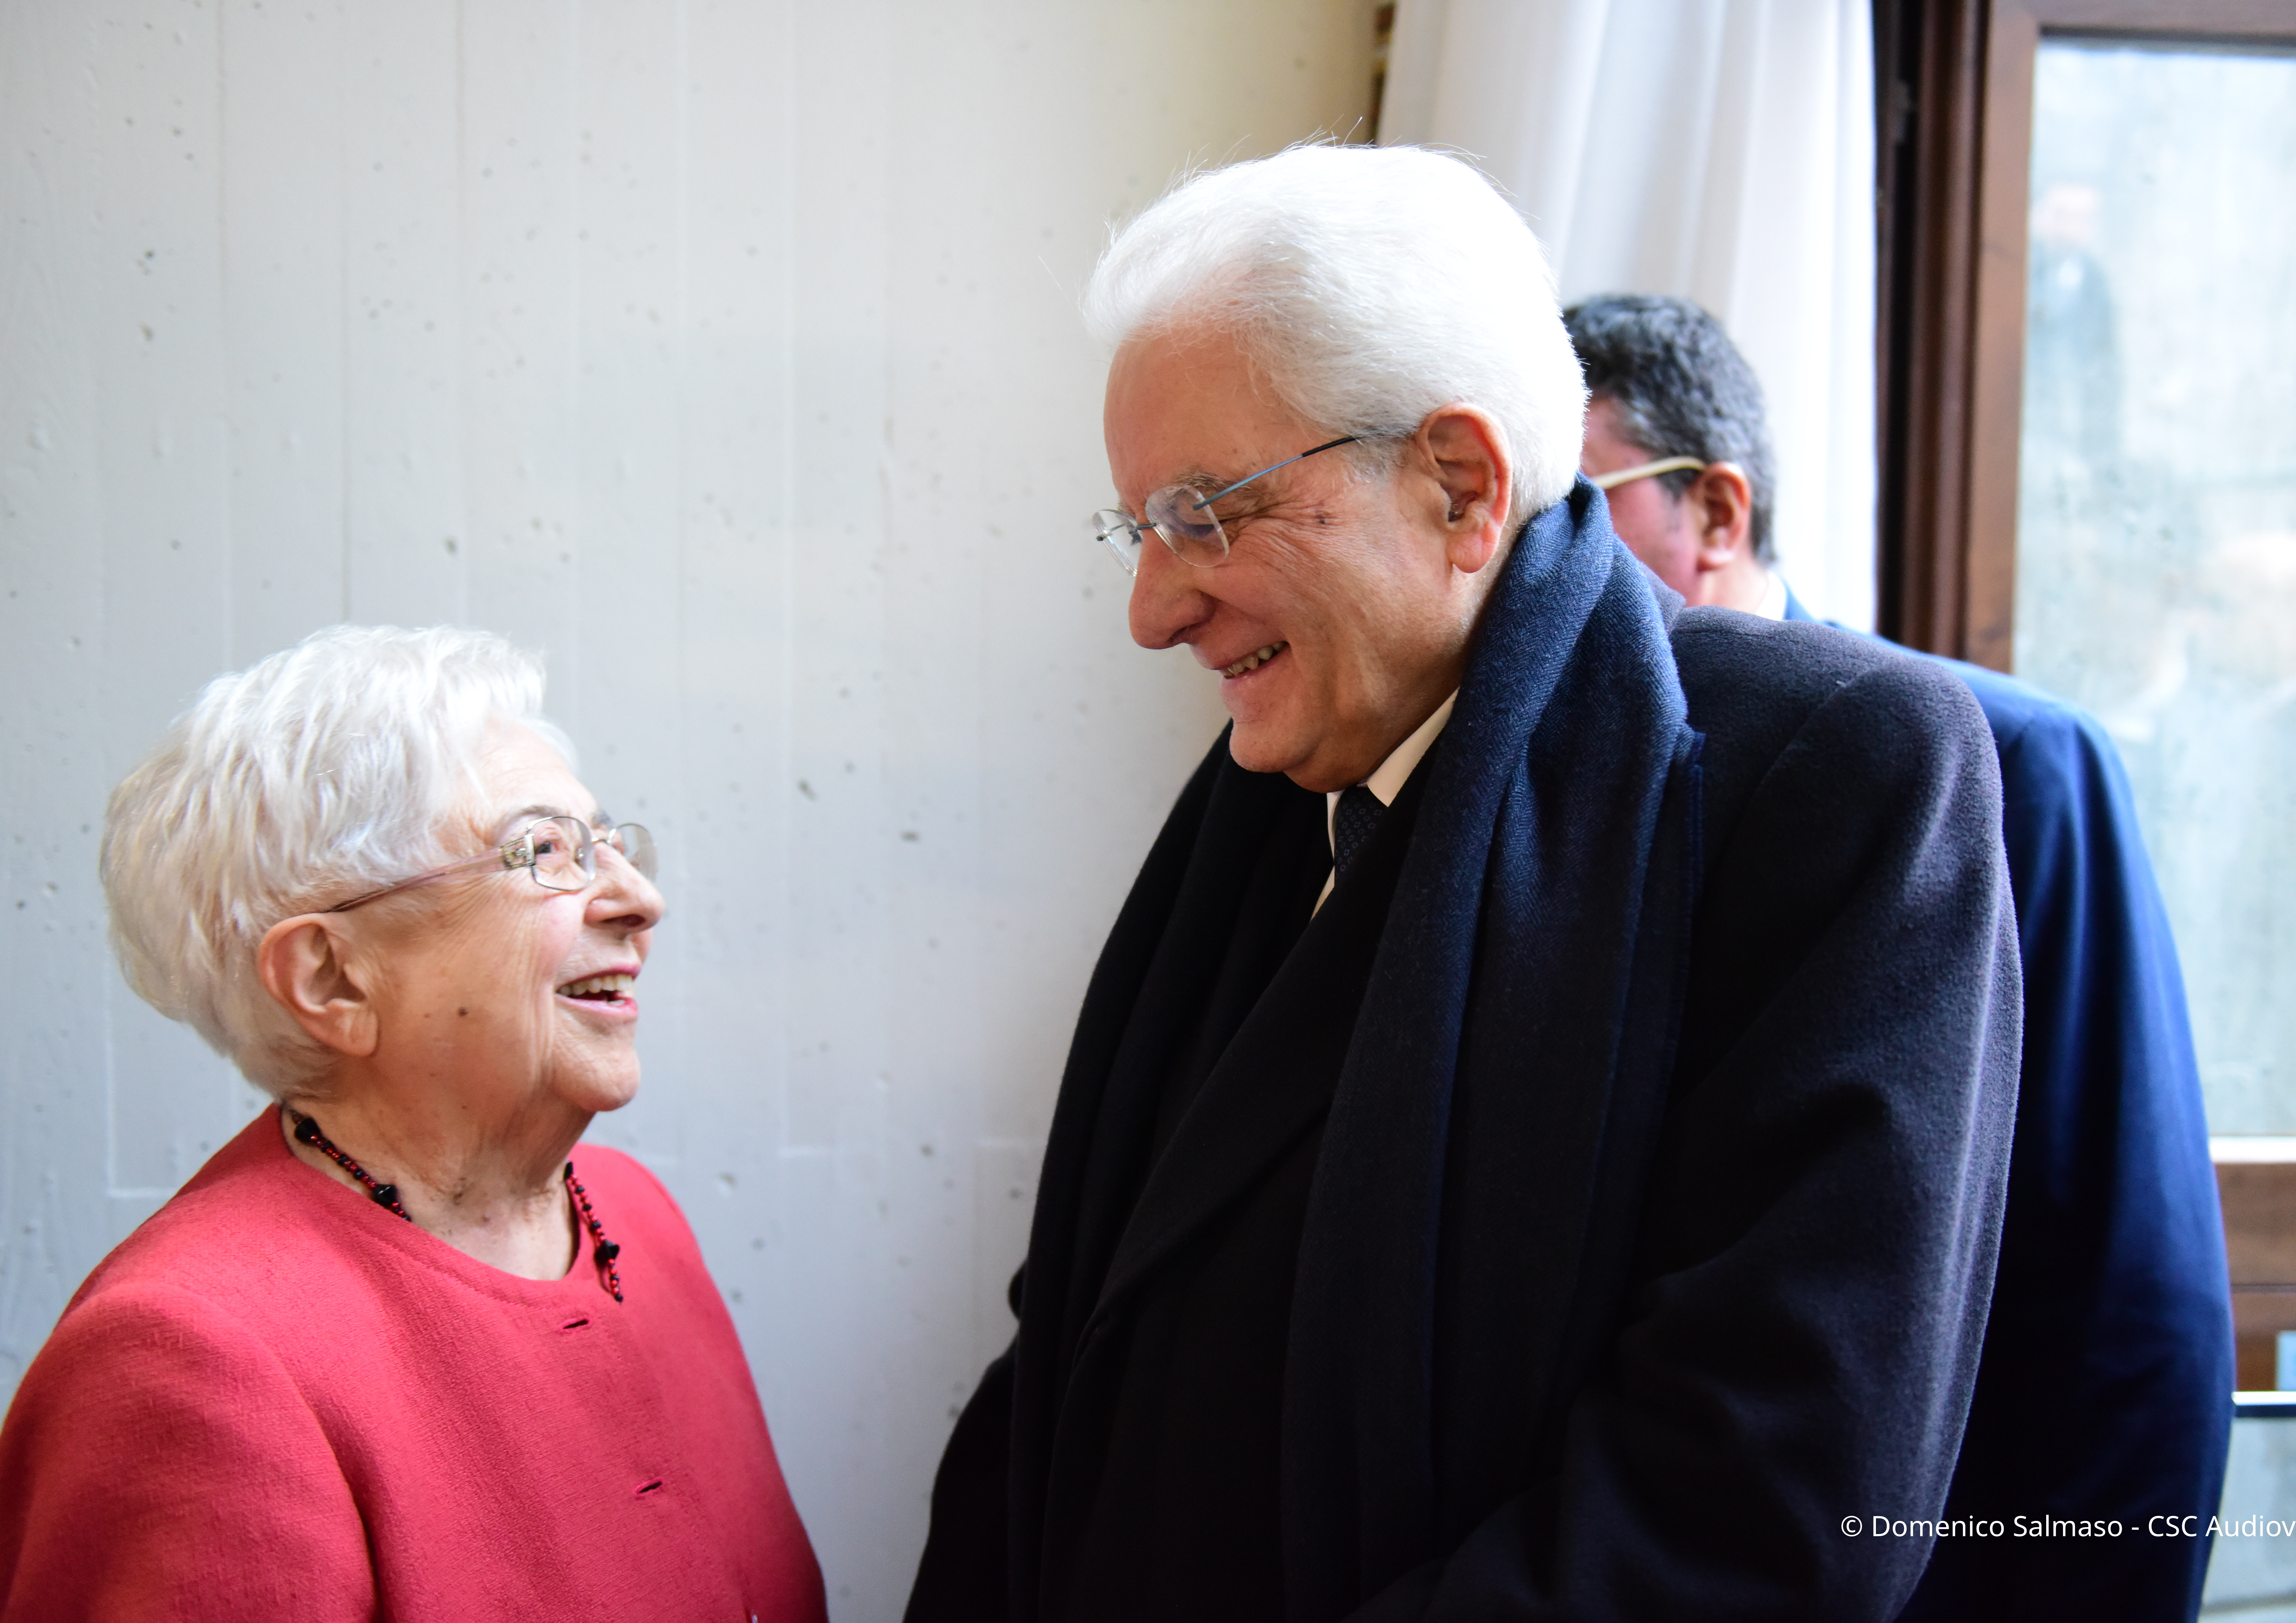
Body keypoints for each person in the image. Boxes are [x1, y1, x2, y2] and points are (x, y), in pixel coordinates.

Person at [906, 143, 2022, 1622]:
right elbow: (1068, 1354)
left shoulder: (1826, 775)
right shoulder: (1260, 803)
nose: (1152, 607)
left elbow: (1763, 1497)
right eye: (1138, 529)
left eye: (1204, 513)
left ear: (1461, 484)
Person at [1567, 292, 2234, 1621]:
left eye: (1580, 512)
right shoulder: (1547, 807)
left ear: (1714, 510)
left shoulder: (2010, 763)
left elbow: (2127, 1282)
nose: (1542, 568)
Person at [0, 626, 824, 1621]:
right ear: (332, 977)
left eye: (608, 843)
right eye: (545, 853)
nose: (640, 900)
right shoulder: (188, 1359)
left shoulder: (634, 1217)